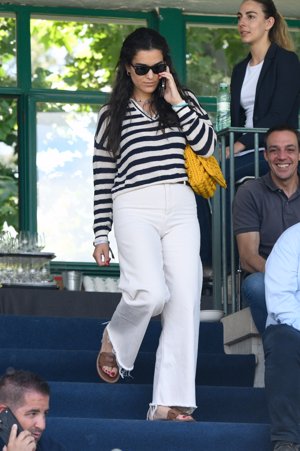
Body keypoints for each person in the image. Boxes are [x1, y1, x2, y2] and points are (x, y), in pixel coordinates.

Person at [92, 27, 216, 422]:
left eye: (158, 67)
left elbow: (207, 146)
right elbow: (102, 178)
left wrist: (177, 100)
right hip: (133, 205)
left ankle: (170, 403)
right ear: (128, 69)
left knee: (184, 302)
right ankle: (115, 334)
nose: (150, 75)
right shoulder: (111, 114)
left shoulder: (184, 101)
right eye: (142, 68)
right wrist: (100, 233)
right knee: (148, 293)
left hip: (181, 205)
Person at [233, 125, 300, 334]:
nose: (282, 157)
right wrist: (288, 278)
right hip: (267, 275)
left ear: (299, 154)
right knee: (256, 286)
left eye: (289, 149)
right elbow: (248, 257)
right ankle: (277, 347)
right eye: (274, 150)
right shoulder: (250, 192)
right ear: (265, 155)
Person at [228, 0, 300, 181]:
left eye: (250, 16)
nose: (242, 23)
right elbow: (238, 119)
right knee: (200, 175)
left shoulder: (287, 61)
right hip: (244, 149)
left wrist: (238, 145)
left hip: (272, 149)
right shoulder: (239, 70)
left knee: (216, 176)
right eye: (239, 17)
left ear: (269, 23)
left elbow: (278, 116)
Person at [263, 222, 300, 451]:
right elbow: (281, 302)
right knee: (283, 342)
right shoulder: (291, 239)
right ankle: (286, 441)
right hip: (293, 328)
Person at [0, 368, 65, 451]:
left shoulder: (53, 447)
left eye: (45, 413)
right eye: (33, 413)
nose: (42, 426)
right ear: (2, 412)